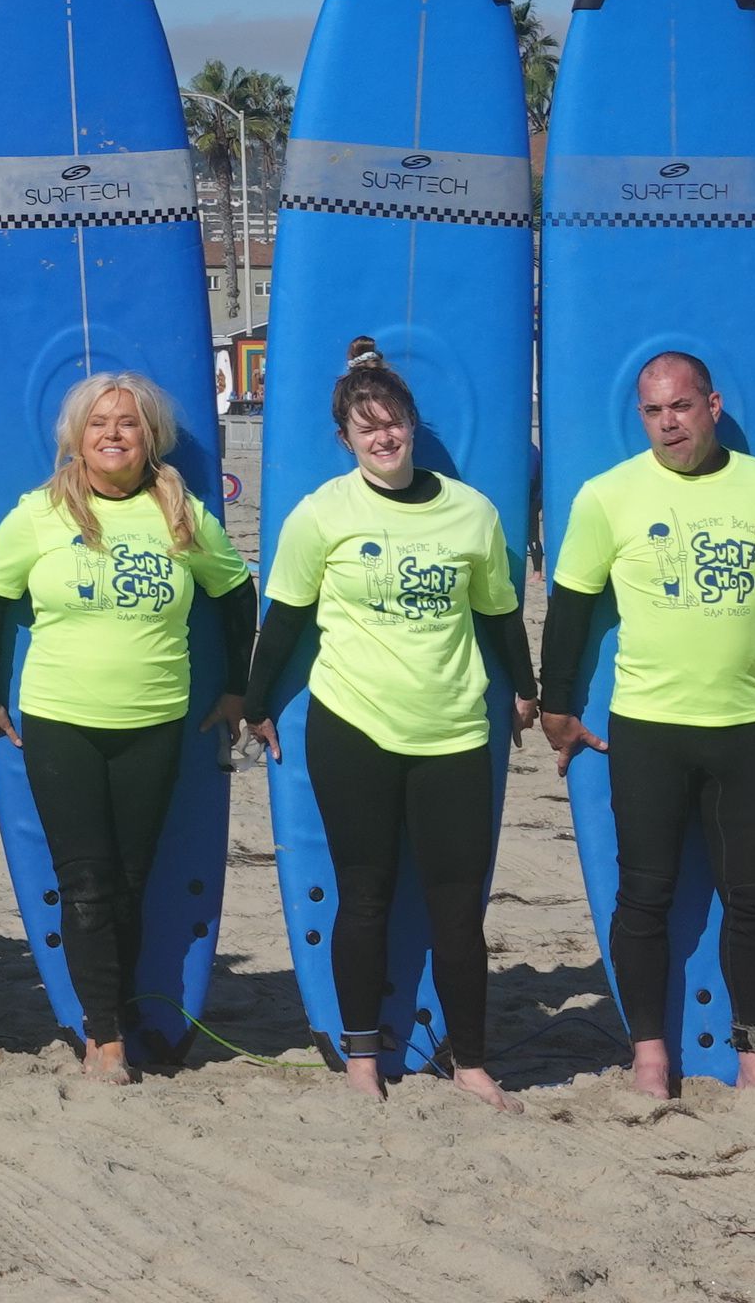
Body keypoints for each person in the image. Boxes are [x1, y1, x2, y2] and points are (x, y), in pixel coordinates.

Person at [538, 350, 755, 1100]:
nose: (668, 424)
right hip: (648, 730)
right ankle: (649, 1058)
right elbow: (570, 608)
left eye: (680, 407)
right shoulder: (607, 497)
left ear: (711, 404)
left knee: (754, 898)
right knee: (643, 897)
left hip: (746, 728)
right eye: (653, 412)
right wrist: (556, 705)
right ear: (640, 417)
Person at [240, 345, 535, 1106]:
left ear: (411, 424)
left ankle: (470, 1061)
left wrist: (528, 691)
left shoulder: (471, 513)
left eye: (392, 422)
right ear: (346, 439)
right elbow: (286, 620)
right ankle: (363, 1056)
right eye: (365, 428)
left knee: (457, 907)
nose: (383, 438)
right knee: (363, 897)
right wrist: (255, 701)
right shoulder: (323, 514)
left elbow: (500, 616)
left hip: (454, 734)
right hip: (354, 730)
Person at [0, 370, 256, 1084]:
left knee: (131, 881)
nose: (113, 434)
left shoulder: (183, 513)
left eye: (127, 423)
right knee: (88, 882)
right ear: (77, 437)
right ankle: (105, 1038)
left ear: (149, 436)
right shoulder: (41, 512)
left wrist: (234, 690)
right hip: (62, 722)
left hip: (156, 722)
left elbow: (234, 591)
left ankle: (116, 1014)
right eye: (99, 423)